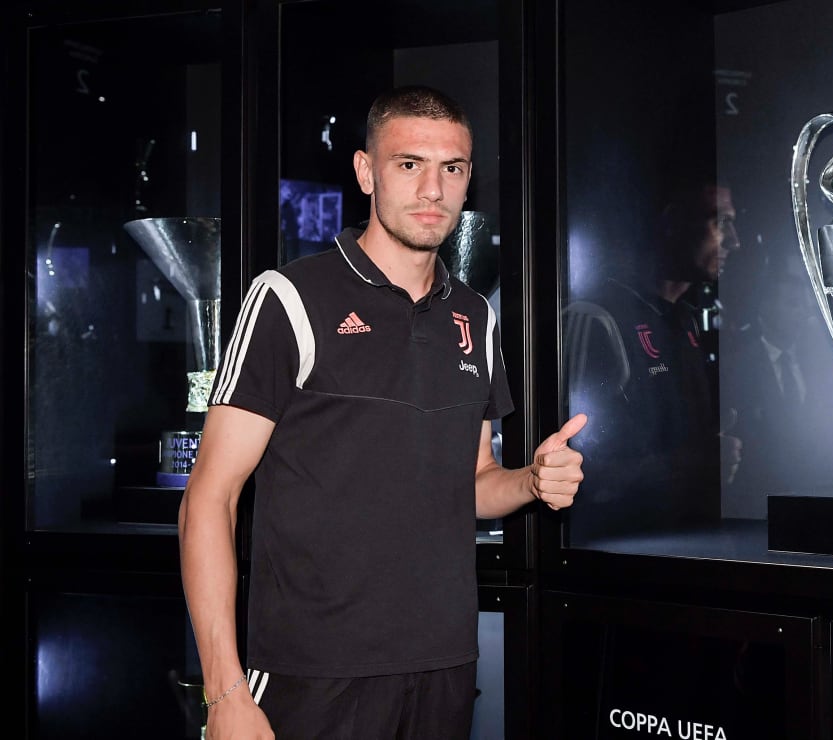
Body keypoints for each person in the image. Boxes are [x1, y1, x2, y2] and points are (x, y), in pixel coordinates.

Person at [178, 85, 586, 739]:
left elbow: (473, 483)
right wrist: (224, 690)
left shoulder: (475, 316)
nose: (433, 189)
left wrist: (532, 482)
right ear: (367, 172)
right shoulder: (289, 298)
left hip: (443, 665)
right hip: (312, 672)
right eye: (409, 164)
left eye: (452, 168)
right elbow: (209, 498)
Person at [562, 182, 740, 541]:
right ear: (673, 222)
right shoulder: (597, 317)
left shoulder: (685, 319)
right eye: (719, 222)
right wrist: (693, 462)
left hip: (686, 544)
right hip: (618, 551)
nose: (734, 241)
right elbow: (574, 471)